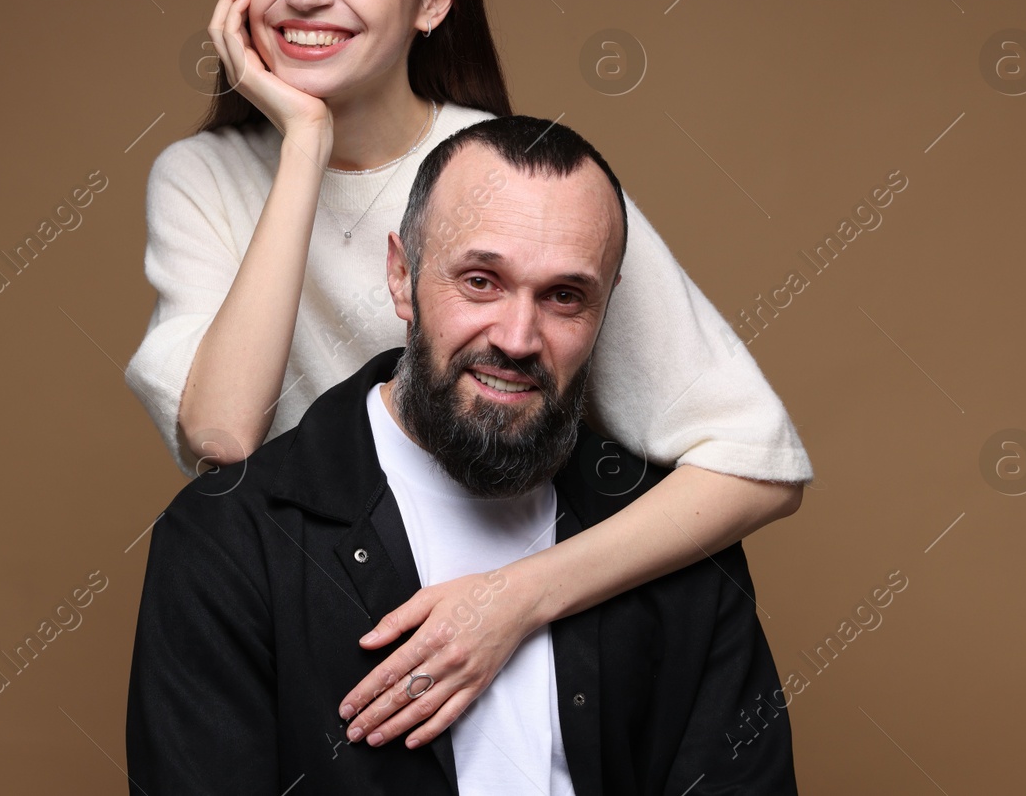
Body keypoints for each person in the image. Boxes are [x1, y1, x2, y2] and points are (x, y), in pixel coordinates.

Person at [125, 0, 813, 749]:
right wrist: (304, 141)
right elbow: (223, 435)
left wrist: (511, 602)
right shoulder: (199, 178)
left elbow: (757, 460)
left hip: (542, 606)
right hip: (321, 616)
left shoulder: (506, 179)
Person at [124, 116, 799, 794]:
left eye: (565, 296)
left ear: (606, 306)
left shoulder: (676, 550)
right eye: (481, 281)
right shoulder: (230, 544)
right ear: (401, 276)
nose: (516, 336)